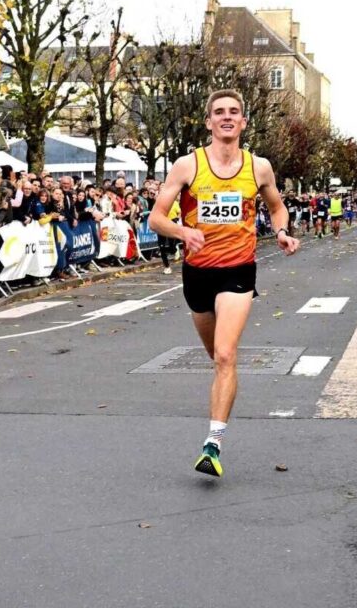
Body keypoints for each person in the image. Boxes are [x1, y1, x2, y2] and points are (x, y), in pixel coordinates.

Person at [148, 89, 300, 478]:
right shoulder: (187, 165)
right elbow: (156, 218)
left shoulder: (259, 167)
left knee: (226, 354)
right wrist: (183, 232)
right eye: (219, 112)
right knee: (217, 357)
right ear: (209, 122)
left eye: (234, 111)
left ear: (244, 122)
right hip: (197, 271)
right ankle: (223, 393)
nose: (227, 117)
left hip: (238, 270)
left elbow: (277, 206)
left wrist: (282, 232)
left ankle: (212, 444)